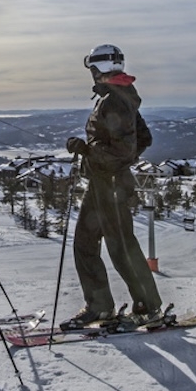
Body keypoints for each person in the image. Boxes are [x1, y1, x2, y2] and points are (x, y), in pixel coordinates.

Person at [62, 44, 164, 330]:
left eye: (92, 70)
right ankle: (100, 307)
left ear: (98, 70)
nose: (91, 75)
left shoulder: (115, 101)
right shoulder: (119, 97)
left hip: (112, 185)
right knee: (85, 242)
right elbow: (143, 140)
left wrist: (87, 151)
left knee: (121, 247)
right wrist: (110, 158)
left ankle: (148, 308)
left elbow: (123, 149)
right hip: (103, 184)